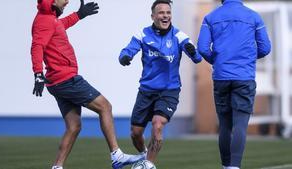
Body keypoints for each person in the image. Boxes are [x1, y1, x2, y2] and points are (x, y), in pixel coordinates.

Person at [31, 0, 143, 169]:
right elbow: (37, 46)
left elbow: (61, 25)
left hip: (58, 82)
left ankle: (57, 167)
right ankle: (116, 155)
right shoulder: (45, 20)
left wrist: (79, 15)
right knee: (105, 107)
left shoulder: (50, 19)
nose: (67, 1)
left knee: (74, 126)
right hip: (67, 79)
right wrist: (38, 73)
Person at [118, 0, 202, 164]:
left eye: (168, 13)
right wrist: (124, 57)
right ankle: (144, 155)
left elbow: (197, 57)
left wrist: (193, 52)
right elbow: (127, 50)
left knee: (157, 125)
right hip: (146, 91)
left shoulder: (179, 36)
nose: (165, 16)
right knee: (135, 133)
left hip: (169, 91)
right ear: (153, 16)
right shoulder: (142, 34)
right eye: (161, 13)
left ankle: (149, 164)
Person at [197, 0, 271, 169]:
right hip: (244, 77)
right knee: (240, 124)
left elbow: (202, 48)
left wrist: (217, 60)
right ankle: (234, 166)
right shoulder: (254, 16)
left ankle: (225, 165)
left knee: (224, 124)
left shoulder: (210, 17)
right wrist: (248, 58)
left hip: (221, 76)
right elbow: (265, 48)